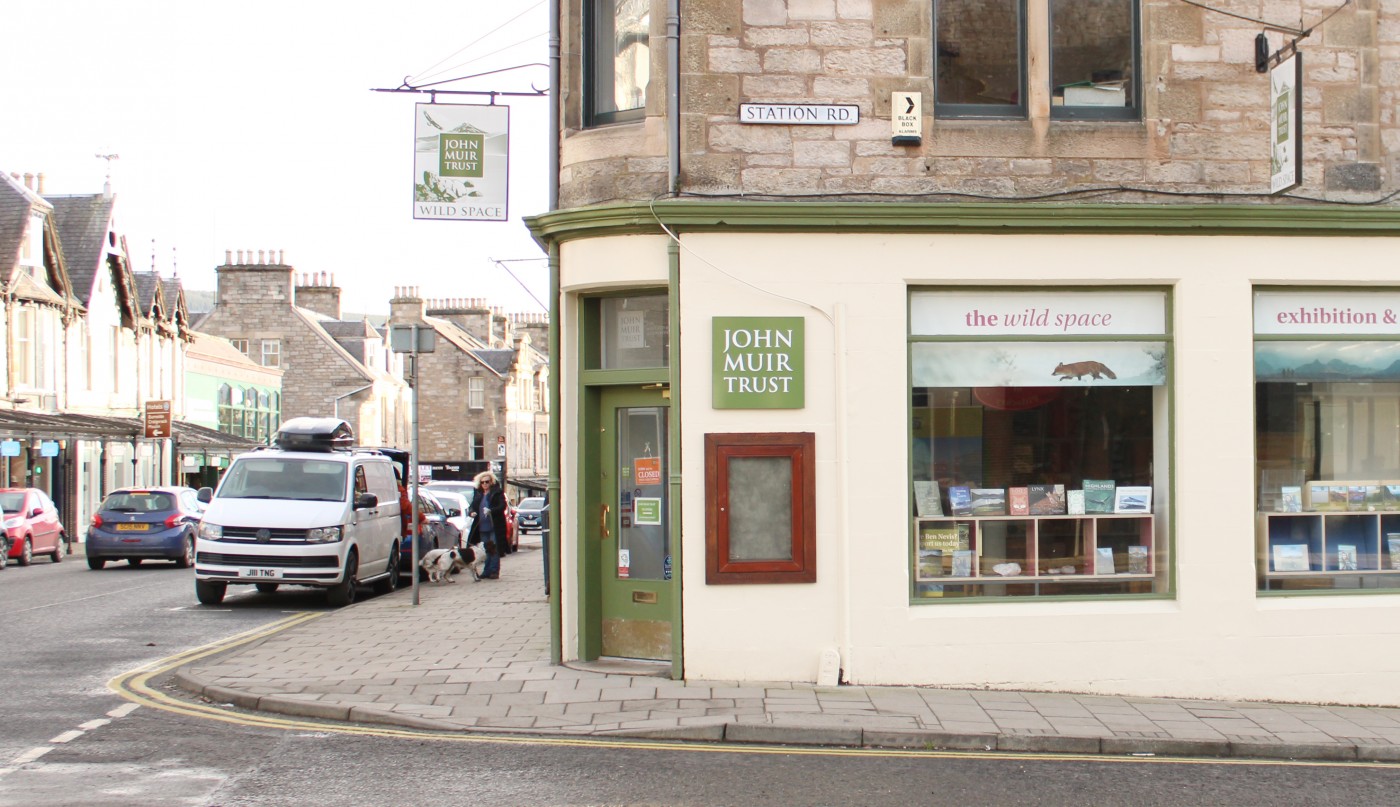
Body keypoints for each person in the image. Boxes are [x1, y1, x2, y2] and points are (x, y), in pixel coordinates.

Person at [465, 470, 506, 579]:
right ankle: (486, 570)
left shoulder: (497, 492)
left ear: (491, 482)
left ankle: (494, 571)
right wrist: (472, 512)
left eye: (487, 482)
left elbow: (502, 506)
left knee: (494, 548)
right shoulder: (478, 493)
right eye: (482, 482)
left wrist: (491, 510)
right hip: (482, 526)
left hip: (494, 525)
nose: (485, 484)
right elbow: (472, 506)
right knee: (484, 549)